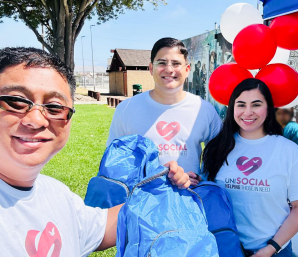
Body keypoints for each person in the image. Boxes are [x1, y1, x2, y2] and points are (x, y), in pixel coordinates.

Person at [0, 47, 190, 255]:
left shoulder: (57, 195)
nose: (36, 120)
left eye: (54, 107)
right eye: (16, 102)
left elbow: (106, 226)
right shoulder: (128, 108)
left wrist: (158, 184)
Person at [197, 78, 298, 256]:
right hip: (224, 248)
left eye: (256, 104)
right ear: (232, 108)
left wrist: (271, 248)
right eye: (241, 105)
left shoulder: (289, 151)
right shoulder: (217, 148)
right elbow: (209, 196)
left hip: (275, 251)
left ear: (268, 108)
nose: (247, 112)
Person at [107, 38, 222, 182]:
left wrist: (201, 178)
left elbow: (219, 154)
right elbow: (114, 159)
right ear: (150, 68)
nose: (169, 69)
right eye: (161, 63)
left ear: (187, 70)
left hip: (190, 198)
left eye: (176, 64)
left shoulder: (204, 110)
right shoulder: (126, 109)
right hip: (142, 200)